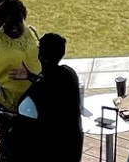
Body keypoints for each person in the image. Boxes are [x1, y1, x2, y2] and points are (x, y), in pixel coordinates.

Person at [10, 33, 83, 162]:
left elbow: (24, 112)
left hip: (51, 148)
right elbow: (50, 81)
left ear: (41, 56)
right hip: (73, 142)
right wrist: (30, 76)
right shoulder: (69, 74)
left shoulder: (38, 91)